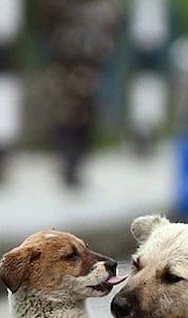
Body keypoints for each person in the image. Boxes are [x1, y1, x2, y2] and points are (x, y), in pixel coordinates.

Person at [42, 0, 121, 190]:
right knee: (65, 112)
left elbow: (111, 24)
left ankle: (76, 163)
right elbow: (47, 21)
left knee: (85, 114)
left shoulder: (100, 8)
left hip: (89, 62)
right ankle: (67, 161)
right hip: (65, 61)